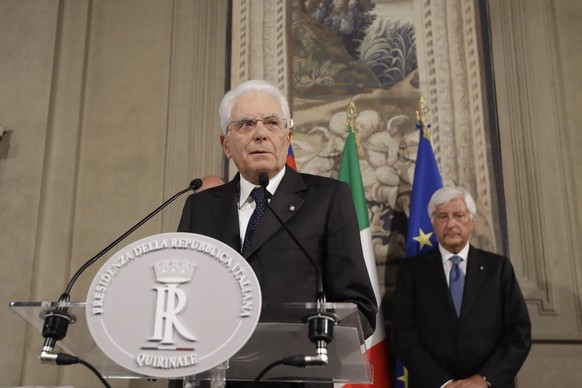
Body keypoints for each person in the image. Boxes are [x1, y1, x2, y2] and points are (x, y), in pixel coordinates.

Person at [178, 78, 377, 334]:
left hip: (296, 369)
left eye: (272, 123)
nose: (260, 134)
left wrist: (314, 341)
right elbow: (180, 300)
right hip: (217, 370)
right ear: (226, 145)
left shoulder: (327, 198)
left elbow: (359, 309)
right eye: (246, 124)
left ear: (288, 138)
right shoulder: (200, 207)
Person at [392, 186, 531, 388]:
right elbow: (403, 335)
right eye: (442, 217)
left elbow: (519, 332)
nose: (451, 224)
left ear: (472, 222)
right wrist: (443, 383)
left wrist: (483, 379)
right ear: (433, 222)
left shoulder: (498, 268)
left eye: (459, 216)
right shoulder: (412, 271)